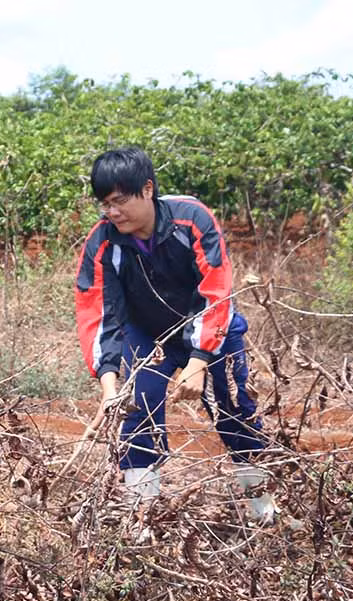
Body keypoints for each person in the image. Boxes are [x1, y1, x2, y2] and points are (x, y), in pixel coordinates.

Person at [74, 146, 275, 521]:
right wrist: (109, 389)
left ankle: (263, 513)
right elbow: (99, 312)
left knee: (235, 410)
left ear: (148, 189)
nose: (112, 212)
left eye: (120, 201)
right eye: (105, 204)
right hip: (149, 337)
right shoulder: (103, 241)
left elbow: (216, 289)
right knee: (136, 413)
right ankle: (140, 522)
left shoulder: (192, 219)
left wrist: (199, 361)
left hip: (212, 331)